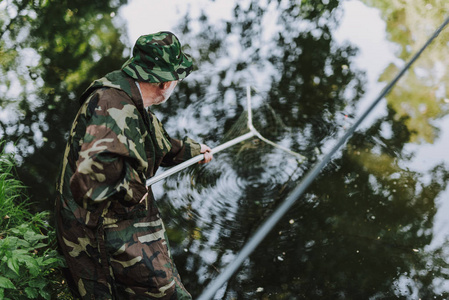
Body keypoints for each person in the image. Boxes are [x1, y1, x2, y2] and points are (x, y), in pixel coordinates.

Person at [55, 31, 212, 299]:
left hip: (118, 213)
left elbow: (151, 139)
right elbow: (89, 180)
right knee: (166, 292)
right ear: (164, 83)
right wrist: (135, 189)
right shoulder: (112, 107)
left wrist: (190, 151)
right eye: (177, 79)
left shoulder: (131, 94)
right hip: (96, 229)